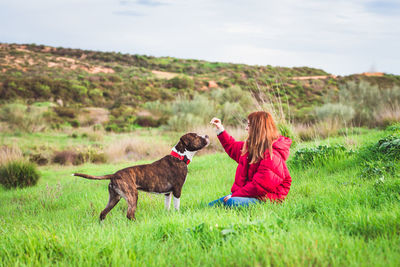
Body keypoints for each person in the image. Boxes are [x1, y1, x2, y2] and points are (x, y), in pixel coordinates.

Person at [208, 111, 292, 207]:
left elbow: (259, 187)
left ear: (257, 128)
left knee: (232, 202)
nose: (246, 128)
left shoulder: (272, 155)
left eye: (249, 125)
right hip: (252, 194)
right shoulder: (251, 147)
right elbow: (232, 147)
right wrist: (220, 129)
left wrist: (235, 195)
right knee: (211, 206)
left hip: (267, 198)